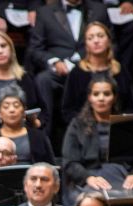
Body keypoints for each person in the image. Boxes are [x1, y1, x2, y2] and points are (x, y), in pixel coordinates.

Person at [27, 0, 111, 132]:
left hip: (89, 67)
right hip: (59, 70)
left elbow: (113, 43)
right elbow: (35, 49)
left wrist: (88, 61)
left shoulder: (99, 9)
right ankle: (45, 135)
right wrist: (54, 62)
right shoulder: (45, 12)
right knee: (43, 79)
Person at [61, 77, 133, 204]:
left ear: (114, 97)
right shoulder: (77, 125)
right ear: (89, 97)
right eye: (96, 94)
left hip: (122, 178)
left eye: (107, 94)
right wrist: (88, 178)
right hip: (88, 179)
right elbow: (70, 161)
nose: (101, 98)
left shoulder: (125, 123)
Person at [59, 21, 133, 125]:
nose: (96, 41)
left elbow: (131, 108)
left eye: (100, 36)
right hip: (85, 128)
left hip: (117, 127)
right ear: (86, 45)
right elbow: (68, 111)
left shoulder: (120, 71)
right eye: (90, 38)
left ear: (109, 41)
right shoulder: (77, 73)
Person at [0, 88, 54, 167]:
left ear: (24, 111)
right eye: (6, 106)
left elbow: (51, 167)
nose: (11, 110)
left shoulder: (39, 137)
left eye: (16, 106)